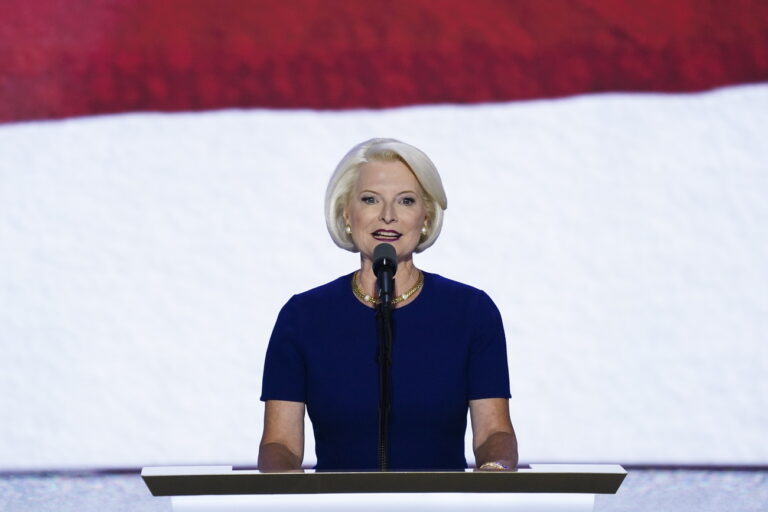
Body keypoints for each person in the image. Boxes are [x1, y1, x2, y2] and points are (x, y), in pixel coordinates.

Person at [258, 138, 517, 472]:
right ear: (346, 214)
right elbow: (279, 445)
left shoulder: (471, 312)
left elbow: (494, 433)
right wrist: (284, 484)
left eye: (406, 201)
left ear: (425, 217)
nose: (388, 216)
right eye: (370, 200)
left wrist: (496, 468)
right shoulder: (303, 317)